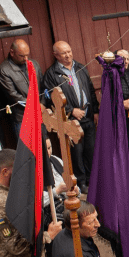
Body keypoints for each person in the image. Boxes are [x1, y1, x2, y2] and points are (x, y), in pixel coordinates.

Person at [42, 41, 99, 190]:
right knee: (76, 152)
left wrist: (96, 110)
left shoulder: (80, 67)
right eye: (63, 53)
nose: (68, 55)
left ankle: (92, 179)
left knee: (90, 149)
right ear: (56, 55)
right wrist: (71, 110)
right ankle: (81, 181)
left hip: (87, 115)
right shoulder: (51, 74)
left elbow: (91, 90)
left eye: (69, 51)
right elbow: (50, 98)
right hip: (71, 119)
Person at [0, 39, 37, 136]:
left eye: (27, 55)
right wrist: (34, 105)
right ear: (12, 52)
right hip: (21, 117)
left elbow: (42, 85)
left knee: (43, 146)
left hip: (39, 113)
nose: (26, 58)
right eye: (22, 56)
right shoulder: (4, 70)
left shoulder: (33, 64)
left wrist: (42, 103)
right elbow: (12, 95)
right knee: (25, 149)